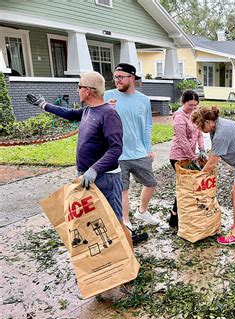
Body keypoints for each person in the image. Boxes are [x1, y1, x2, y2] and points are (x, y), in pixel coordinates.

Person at [26, 72, 132, 247]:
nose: (78, 90)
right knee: (97, 220)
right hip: (87, 177)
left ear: (89, 91)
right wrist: (43, 104)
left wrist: (94, 169)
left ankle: (130, 264)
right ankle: (112, 262)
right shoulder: (88, 111)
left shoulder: (108, 114)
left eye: (79, 86)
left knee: (115, 221)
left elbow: (116, 148)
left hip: (106, 179)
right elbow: (67, 113)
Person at [191, 106, 235, 246]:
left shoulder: (221, 133)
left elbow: (212, 163)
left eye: (200, 125)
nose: (200, 129)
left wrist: (197, 177)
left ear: (208, 122)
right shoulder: (217, 126)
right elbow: (214, 153)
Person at [104, 63, 159, 231]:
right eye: (115, 77)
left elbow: (147, 126)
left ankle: (142, 211)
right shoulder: (107, 96)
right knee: (122, 190)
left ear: (132, 78)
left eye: (120, 77)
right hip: (116, 154)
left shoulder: (143, 100)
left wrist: (148, 148)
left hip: (139, 152)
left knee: (151, 183)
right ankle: (125, 221)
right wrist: (108, 110)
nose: (117, 81)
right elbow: (96, 120)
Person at [168, 90, 205, 228]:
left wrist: (201, 149)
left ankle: (179, 216)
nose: (193, 108)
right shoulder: (179, 117)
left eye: (195, 105)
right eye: (190, 105)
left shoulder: (196, 114)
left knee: (188, 187)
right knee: (184, 187)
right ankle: (174, 217)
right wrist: (193, 157)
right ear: (183, 102)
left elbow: (200, 133)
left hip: (192, 155)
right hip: (178, 157)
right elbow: (182, 141)